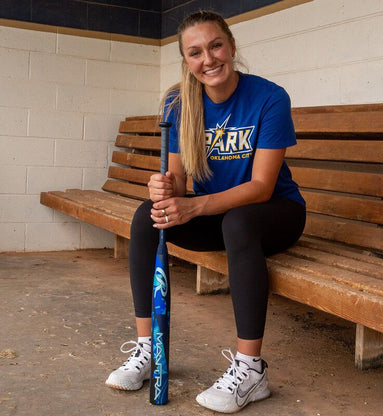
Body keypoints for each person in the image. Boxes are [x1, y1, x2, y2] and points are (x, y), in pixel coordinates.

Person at [105, 10, 306, 414]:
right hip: (221, 215)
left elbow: (261, 187)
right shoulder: (180, 103)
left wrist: (195, 204)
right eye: (195, 52)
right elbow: (178, 181)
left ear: (231, 46)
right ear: (186, 60)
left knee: (239, 220)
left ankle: (251, 369)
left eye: (215, 46)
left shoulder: (268, 97)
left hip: (274, 214)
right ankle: (150, 348)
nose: (208, 59)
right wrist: (164, 188)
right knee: (148, 215)